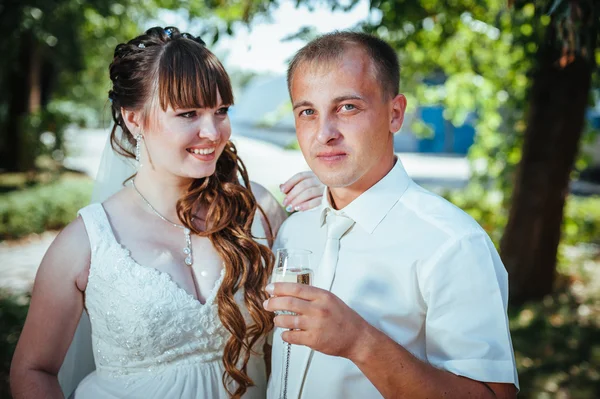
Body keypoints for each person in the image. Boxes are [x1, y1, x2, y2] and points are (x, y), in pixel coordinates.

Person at [10, 26, 324, 399]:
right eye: (188, 113)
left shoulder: (258, 210)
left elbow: (316, 315)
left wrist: (331, 207)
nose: (213, 131)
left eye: (220, 110)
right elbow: (34, 369)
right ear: (133, 119)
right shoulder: (87, 242)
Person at [264, 31, 519, 399]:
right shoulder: (294, 231)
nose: (324, 134)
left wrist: (359, 342)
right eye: (308, 112)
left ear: (395, 114)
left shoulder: (453, 244)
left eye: (347, 107)